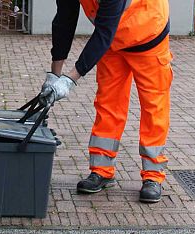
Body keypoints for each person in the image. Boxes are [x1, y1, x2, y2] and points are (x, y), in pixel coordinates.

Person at [40, 0, 173, 203]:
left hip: (148, 36)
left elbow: (103, 32)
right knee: (108, 104)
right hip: (113, 43)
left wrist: (69, 81)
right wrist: (54, 75)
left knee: (153, 107)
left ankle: (153, 177)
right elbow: (65, 21)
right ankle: (101, 171)